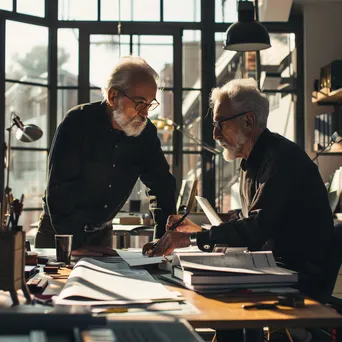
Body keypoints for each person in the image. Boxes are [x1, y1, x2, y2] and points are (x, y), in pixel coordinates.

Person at [145, 78, 334, 301]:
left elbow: (255, 229)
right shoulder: (253, 160)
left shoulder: (282, 159)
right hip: (273, 268)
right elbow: (252, 217)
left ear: (248, 120)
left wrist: (191, 239)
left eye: (220, 124)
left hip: (298, 277)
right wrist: (198, 228)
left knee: (210, 289)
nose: (215, 135)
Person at [35, 56, 176, 256]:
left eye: (150, 104)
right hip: (59, 233)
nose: (145, 113)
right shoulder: (77, 122)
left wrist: (162, 238)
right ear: (112, 96)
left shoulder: (146, 133)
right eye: (139, 103)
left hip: (101, 233)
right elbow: (59, 189)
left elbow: (162, 185)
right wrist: (73, 246)